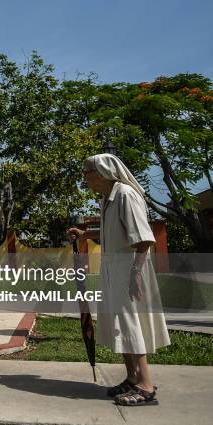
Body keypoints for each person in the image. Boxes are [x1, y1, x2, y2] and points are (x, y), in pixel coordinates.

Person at [67, 153, 170, 407]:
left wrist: (135, 274)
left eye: (87, 172)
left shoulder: (125, 194)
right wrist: (85, 233)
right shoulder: (109, 198)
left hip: (129, 269)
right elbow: (113, 230)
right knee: (121, 324)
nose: (84, 178)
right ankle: (132, 378)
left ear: (102, 173)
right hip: (115, 269)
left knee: (130, 322)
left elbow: (144, 238)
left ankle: (146, 385)